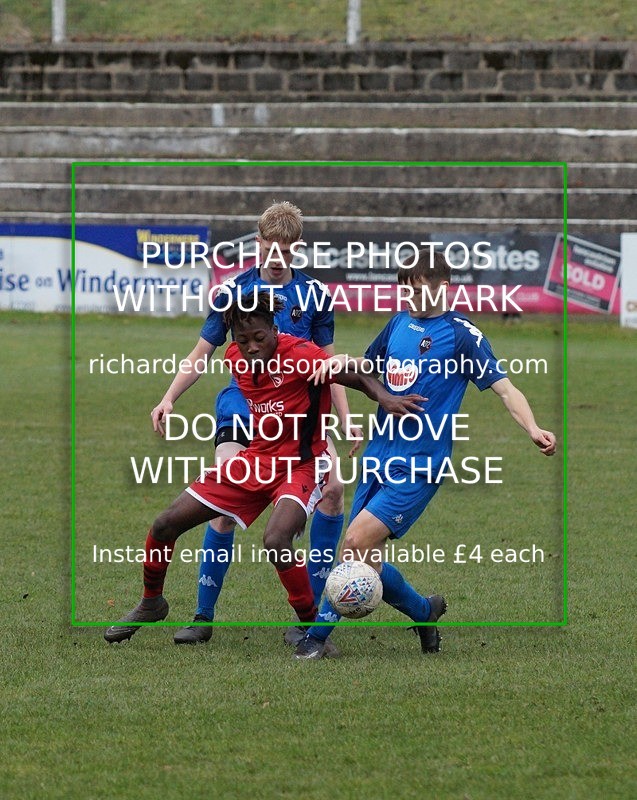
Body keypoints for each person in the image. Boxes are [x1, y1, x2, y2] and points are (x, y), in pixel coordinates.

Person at [104, 294, 424, 645]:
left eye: (259, 338)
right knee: (165, 524)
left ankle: (309, 626)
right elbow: (209, 355)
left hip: (301, 465)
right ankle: (151, 603)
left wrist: (385, 398)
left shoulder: (300, 355)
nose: (251, 347)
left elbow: (353, 373)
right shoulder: (234, 358)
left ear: (274, 330)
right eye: (243, 341)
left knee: (275, 540)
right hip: (256, 459)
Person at [293, 249, 557, 660]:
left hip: (420, 464)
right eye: (405, 288)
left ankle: (316, 636)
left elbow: (505, 388)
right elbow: (368, 366)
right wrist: (335, 363)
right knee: (369, 563)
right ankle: (423, 611)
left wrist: (533, 427)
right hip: (379, 455)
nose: (410, 297)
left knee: (354, 543)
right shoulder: (398, 323)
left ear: (443, 287)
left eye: (418, 289)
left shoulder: (462, 335)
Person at [150, 201, 362, 645]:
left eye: (285, 251)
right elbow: (200, 354)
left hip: (298, 416)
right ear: (259, 243)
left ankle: (315, 613)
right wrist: (169, 397)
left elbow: (329, 364)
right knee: (224, 506)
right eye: (269, 248)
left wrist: (347, 419)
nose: (276, 257)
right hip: (241, 407)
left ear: (296, 249)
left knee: (335, 491)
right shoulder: (232, 292)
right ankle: (203, 615)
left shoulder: (316, 297)